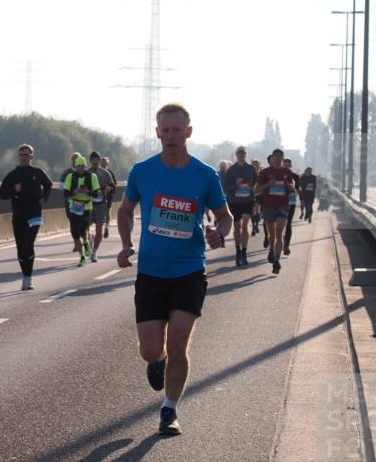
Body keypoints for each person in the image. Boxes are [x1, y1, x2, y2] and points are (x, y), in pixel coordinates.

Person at [116, 103, 231, 436]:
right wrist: (125, 245)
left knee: (179, 342)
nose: (171, 136)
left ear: (188, 133)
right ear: (157, 133)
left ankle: (169, 410)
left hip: (189, 270)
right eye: (165, 130)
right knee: (151, 349)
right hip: (151, 272)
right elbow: (124, 211)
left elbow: (225, 216)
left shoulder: (205, 175)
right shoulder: (143, 171)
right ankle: (158, 361)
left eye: (177, 130)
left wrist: (218, 233)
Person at [0, 144, 53, 290]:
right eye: (21, 155)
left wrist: (44, 198)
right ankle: (25, 275)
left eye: (26, 155)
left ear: (31, 157)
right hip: (19, 216)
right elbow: (1, 193)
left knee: (29, 244)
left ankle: (28, 278)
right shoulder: (13, 174)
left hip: (34, 214)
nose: (24, 157)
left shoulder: (38, 172)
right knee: (21, 249)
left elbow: (48, 185)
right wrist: (13, 190)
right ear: (18, 157)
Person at [254, 148, 293, 275]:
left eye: (280, 158)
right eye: (276, 157)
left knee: (279, 233)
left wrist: (289, 186)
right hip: (269, 206)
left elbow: (292, 188)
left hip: (282, 205)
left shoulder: (287, 172)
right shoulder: (265, 172)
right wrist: (268, 184)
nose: (278, 160)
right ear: (272, 158)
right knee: (271, 235)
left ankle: (276, 261)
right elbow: (256, 190)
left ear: (282, 158)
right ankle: (271, 248)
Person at [222, 146, 257, 267]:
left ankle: (244, 252)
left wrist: (253, 189)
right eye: (239, 154)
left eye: (243, 153)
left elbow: (256, 183)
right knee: (237, 228)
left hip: (248, 200)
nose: (241, 155)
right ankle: (238, 252)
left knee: (245, 225)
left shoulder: (251, 168)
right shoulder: (231, 170)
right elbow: (225, 187)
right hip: (235, 202)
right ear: (236, 155)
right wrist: (236, 185)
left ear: (245, 155)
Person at [63, 156, 100, 266]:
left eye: (82, 166)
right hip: (74, 206)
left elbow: (96, 195)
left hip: (86, 206)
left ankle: (86, 242)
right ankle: (82, 257)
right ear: (75, 166)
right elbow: (65, 194)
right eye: (78, 166)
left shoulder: (92, 176)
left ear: (85, 166)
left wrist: (87, 192)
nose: (80, 168)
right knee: (74, 233)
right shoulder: (70, 176)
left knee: (83, 229)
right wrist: (75, 191)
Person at [88, 152, 114, 262]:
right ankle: (89, 239)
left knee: (99, 230)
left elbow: (113, 187)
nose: (95, 161)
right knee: (84, 229)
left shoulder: (105, 173)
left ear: (99, 161)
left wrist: (110, 188)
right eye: (93, 159)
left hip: (101, 205)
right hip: (88, 204)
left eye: (96, 159)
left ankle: (94, 252)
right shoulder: (86, 173)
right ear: (90, 161)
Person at [60, 152, 80, 251]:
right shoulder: (66, 173)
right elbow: (61, 187)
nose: (75, 161)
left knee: (82, 223)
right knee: (73, 223)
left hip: (83, 202)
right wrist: (71, 191)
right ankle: (77, 243)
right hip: (70, 202)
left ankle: (86, 237)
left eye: (77, 159)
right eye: (73, 159)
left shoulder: (86, 173)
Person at [282, 158, 301, 255]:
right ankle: (280, 241)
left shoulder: (295, 177)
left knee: (288, 223)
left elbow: (298, 190)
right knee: (280, 224)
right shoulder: (278, 175)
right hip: (279, 202)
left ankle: (286, 245)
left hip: (291, 202)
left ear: (291, 166)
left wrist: (293, 190)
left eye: (288, 166)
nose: (286, 167)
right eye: (285, 165)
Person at [101, 156, 119, 239]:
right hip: (98, 196)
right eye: (102, 162)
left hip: (108, 195)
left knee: (107, 211)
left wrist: (110, 188)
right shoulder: (96, 172)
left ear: (107, 164)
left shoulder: (110, 173)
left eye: (105, 163)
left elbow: (115, 185)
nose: (103, 164)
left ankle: (106, 227)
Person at [250, 159, 263, 236]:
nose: (255, 166)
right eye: (254, 164)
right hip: (250, 194)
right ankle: (253, 226)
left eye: (256, 164)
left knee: (257, 208)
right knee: (252, 210)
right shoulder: (249, 172)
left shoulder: (261, 172)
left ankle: (257, 225)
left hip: (259, 193)